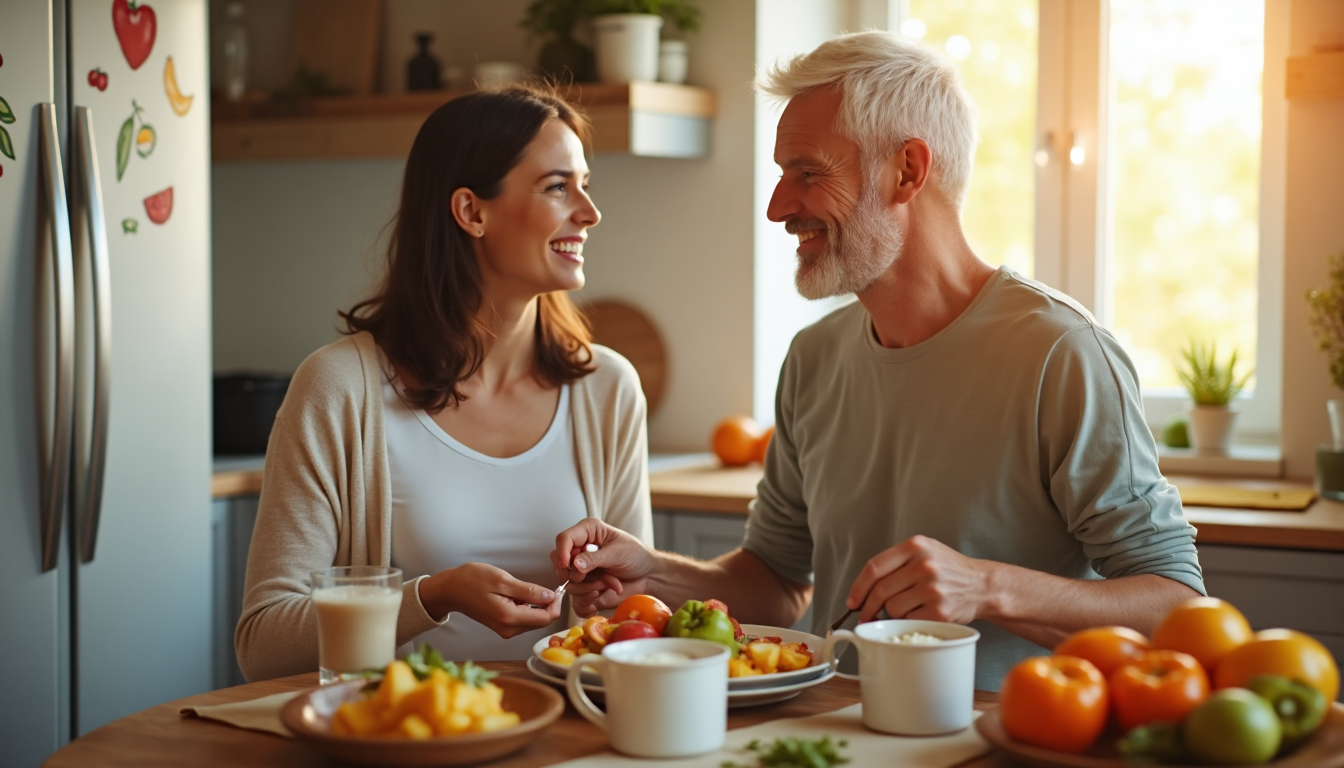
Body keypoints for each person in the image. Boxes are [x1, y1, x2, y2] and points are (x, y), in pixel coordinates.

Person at [550, 32, 1205, 691]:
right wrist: (655, 572)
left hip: (1000, 739)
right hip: (836, 734)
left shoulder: (1061, 352)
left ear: (907, 172)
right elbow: (778, 582)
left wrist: (987, 587)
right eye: (782, 175)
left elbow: (1176, 608)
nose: (778, 206)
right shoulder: (815, 357)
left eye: (807, 172)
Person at [235, 85, 653, 682]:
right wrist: (430, 598)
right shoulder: (338, 389)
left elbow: (634, 623)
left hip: (565, 739)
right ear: (471, 211)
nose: (589, 212)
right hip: (402, 739)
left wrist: (606, 605)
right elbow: (264, 645)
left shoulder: (608, 388)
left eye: (586, 184)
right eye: (558, 186)